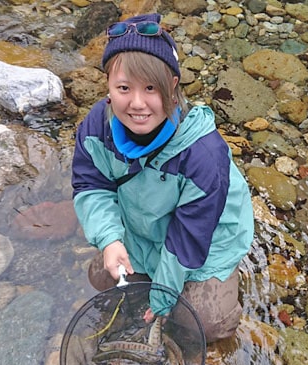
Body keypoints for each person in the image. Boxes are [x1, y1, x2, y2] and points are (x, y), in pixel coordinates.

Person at [71, 13, 254, 343]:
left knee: (204, 323)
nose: (137, 104)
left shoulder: (203, 154)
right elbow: (91, 186)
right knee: (101, 278)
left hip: (207, 240)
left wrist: (162, 299)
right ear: (108, 87)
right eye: (124, 88)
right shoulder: (96, 127)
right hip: (146, 226)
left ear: (172, 87)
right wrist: (110, 239)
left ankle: (227, 281)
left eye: (151, 88)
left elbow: (188, 237)